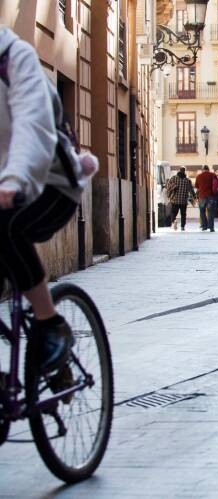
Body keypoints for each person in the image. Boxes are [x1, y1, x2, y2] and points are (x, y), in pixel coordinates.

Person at [0, 26, 93, 372]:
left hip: (51, 184)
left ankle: (49, 322)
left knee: (6, 227)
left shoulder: (15, 59)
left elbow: (32, 127)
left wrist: (13, 180)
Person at [195, 165, 216, 232]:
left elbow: (196, 186)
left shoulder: (199, 176)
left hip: (202, 196)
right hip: (210, 196)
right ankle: (211, 228)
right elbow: (216, 184)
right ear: (208, 169)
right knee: (210, 212)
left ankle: (204, 226)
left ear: (203, 169)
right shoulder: (213, 175)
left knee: (202, 212)